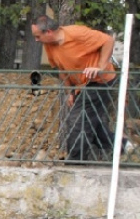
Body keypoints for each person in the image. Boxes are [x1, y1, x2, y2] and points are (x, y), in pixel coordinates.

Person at [32, 15, 134, 161]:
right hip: (81, 86)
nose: (36, 40)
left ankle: (75, 162)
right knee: (91, 124)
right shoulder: (49, 46)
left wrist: (100, 66)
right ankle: (123, 145)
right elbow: (62, 70)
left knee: (77, 119)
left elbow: (108, 40)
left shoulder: (77, 34)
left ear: (48, 32)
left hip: (99, 81)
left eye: (37, 36)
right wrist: (70, 92)